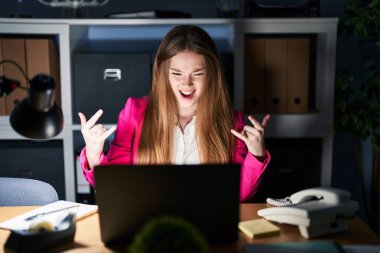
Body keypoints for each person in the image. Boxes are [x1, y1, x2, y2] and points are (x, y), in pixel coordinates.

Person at [78, 25, 271, 202]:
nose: (186, 83)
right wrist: (94, 156)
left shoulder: (231, 120)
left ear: (212, 75)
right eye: (177, 74)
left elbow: (238, 195)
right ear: (164, 74)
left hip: (206, 223)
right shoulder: (134, 112)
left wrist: (257, 155)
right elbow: (116, 187)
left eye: (198, 73)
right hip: (149, 220)